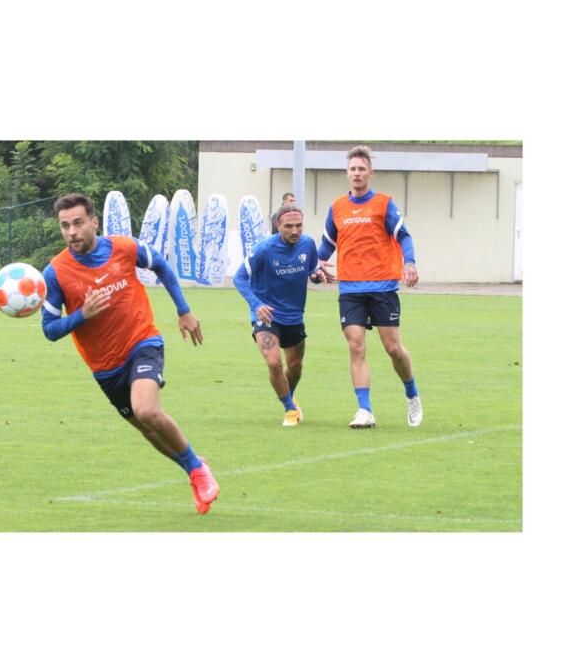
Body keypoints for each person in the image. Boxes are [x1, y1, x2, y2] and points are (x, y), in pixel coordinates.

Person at [41, 193, 219, 514]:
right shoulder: (55, 272)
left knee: (146, 410)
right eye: (65, 226)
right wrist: (82, 315)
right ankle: (194, 467)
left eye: (78, 223)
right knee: (147, 429)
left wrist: (183, 310)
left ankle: (197, 469)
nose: (72, 232)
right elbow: (50, 329)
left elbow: (161, 265)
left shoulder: (123, 248)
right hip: (104, 368)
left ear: (94, 222)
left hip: (142, 342)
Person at [316, 145, 423, 429]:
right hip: (350, 289)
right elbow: (326, 245)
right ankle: (365, 410)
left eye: (361, 169)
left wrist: (410, 263)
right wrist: (316, 264)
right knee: (356, 346)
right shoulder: (337, 207)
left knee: (393, 349)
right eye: (352, 169)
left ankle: (412, 394)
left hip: (382, 286)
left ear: (370, 173)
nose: (357, 173)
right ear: (347, 173)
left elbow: (404, 236)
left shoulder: (384, 204)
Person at [235, 204, 333, 426]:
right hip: (266, 315)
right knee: (274, 362)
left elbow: (312, 269)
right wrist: (256, 304)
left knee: (295, 366)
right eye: (289, 226)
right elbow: (239, 278)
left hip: (294, 316)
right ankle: (290, 409)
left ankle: (290, 396)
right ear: (278, 226)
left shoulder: (308, 244)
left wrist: (317, 275)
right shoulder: (263, 249)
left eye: (299, 225)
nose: (295, 230)